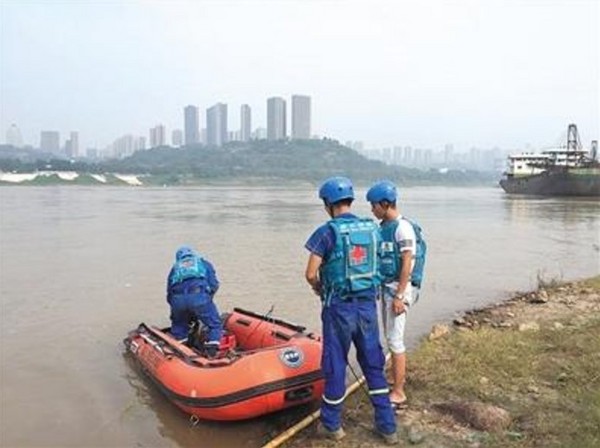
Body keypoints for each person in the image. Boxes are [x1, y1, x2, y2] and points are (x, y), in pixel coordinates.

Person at [304, 176, 398, 444]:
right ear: (350, 201)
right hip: (367, 305)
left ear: (327, 203)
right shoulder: (372, 228)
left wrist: (320, 288)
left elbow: (310, 274)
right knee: (373, 363)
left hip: (339, 308)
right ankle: (387, 426)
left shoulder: (326, 232)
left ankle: (332, 424)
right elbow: (383, 263)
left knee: (335, 364)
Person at [366, 180, 420, 412]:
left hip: (399, 290)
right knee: (389, 337)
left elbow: (407, 262)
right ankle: (394, 381)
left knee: (396, 340)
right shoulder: (383, 227)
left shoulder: (402, 228)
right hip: (386, 289)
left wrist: (399, 295)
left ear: (385, 204)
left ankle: (399, 391)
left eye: (374, 205)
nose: (372, 209)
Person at [166, 245, 222, 357]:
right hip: (199, 297)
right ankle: (212, 351)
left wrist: (176, 308)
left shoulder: (175, 268)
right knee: (214, 324)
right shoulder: (204, 264)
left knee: (179, 323)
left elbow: (169, 292)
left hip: (177, 300)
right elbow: (214, 284)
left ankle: (180, 347)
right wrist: (207, 299)